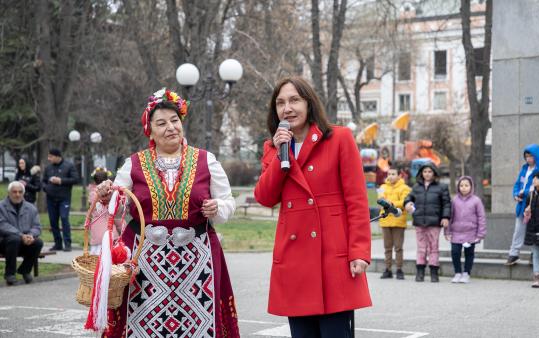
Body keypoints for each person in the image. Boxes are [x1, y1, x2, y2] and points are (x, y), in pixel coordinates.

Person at [95, 88, 239, 337]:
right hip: (145, 264)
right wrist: (107, 196)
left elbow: (228, 202)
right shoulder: (134, 164)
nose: (170, 127)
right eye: (161, 123)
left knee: (197, 325)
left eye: (174, 121)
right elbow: (117, 205)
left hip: (198, 262)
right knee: (142, 323)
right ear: (149, 130)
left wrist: (218, 207)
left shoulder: (206, 160)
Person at [254, 77, 371, 338]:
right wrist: (278, 152)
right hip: (294, 260)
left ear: (309, 103)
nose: (287, 108)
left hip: (333, 258)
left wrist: (359, 251)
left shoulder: (339, 138)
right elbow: (265, 197)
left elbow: (357, 200)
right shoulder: (273, 148)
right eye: (281, 103)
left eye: (294, 100)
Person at [404, 163, 451, 282]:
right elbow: (408, 198)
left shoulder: (442, 187)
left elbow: (446, 203)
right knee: (421, 248)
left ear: (434, 173)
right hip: (419, 221)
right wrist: (407, 203)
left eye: (430, 172)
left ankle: (434, 272)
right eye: (425, 172)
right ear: (421, 173)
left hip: (434, 222)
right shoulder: (416, 187)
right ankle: (420, 272)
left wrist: (445, 217)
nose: (427, 174)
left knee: (433, 247)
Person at [506, 144, 539, 266]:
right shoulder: (524, 169)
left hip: (535, 205)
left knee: (534, 230)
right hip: (522, 205)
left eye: (531, 156)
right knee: (518, 230)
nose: (528, 159)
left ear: (537, 157)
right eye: (526, 156)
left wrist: (526, 192)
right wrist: (516, 194)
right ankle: (514, 254)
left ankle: (535, 255)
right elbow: (517, 184)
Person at [0, 181, 43, 285]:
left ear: (23, 193)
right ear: (9, 193)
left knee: (38, 242)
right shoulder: (1, 206)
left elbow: (37, 227)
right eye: (14, 192)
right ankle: (10, 274)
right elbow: (2, 225)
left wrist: (30, 236)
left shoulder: (31, 208)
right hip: (4, 242)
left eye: (20, 192)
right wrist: (21, 235)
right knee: (14, 239)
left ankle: (25, 270)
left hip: (24, 242)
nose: (17, 194)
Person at [444, 176, 486, 283]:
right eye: (461, 185)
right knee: (455, 252)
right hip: (456, 232)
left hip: (470, 233)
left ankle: (466, 273)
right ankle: (457, 273)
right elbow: (449, 216)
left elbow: (481, 217)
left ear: (471, 187)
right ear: (458, 187)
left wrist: (480, 234)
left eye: (466, 185)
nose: (464, 188)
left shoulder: (476, 201)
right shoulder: (454, 200)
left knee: (469, 253)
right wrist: (447, 231)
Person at [378, 167, 411, 280]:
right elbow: (380, 201)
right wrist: (389, 204)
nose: (390, 176)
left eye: (393, 174)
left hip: (398, 221)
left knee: (398, 247)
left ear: (399, 175)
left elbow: (403, 202)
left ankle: (399, 269)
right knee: (387, 248)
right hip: (386, 221)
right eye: (389, 174)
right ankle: (387, 269)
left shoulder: (404, 188)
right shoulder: (382, 187)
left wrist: (391, 203)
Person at [43, 148, 79, 252]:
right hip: (50, 198)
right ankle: (57, 244)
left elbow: (76, 179)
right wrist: (46, 188)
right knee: (53, 221)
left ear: (57, 156)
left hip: (64, 198)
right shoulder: (48, 168)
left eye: (51, 156)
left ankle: (67, 244)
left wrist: (61, 181)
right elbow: (43, 181)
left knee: (64, 218)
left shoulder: (69, 166)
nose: (49, 159)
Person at [86, 167, 118, 255]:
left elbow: (90, 209)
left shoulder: (92, 193)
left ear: (94, 181)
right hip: (109, 225)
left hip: (96, 225)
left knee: (97, 253)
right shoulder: (110, 193)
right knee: (111, 252)